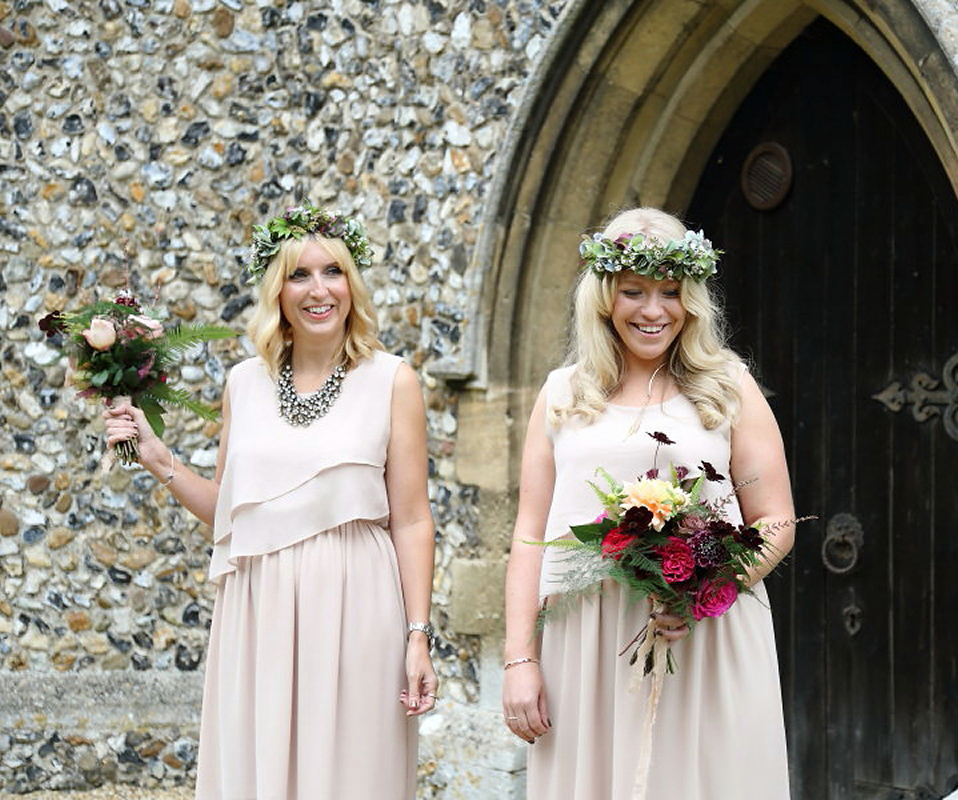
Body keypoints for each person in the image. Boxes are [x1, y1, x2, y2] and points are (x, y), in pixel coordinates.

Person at [103, 203, 438, 799]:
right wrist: (159, 459)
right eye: (298, 275)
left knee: (351, 774)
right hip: (256, 609)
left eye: (332, 272)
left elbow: (411, 520)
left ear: (352, 285)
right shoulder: (243, 383)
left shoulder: (393, 380)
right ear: (276, 290)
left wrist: (418, 635)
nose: (318, 290)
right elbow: (231, 514)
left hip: (355, 603)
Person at [502, 207, 794, 798]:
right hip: (584, 639)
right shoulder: (562, 395)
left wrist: (706, 591)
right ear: (605, 296)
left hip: (704, 640)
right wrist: (518, 660)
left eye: (669, 291)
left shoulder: (727, 385)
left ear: (690, 298)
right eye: (633, 291)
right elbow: (529, 536)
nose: (653, 310)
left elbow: (777, 520)